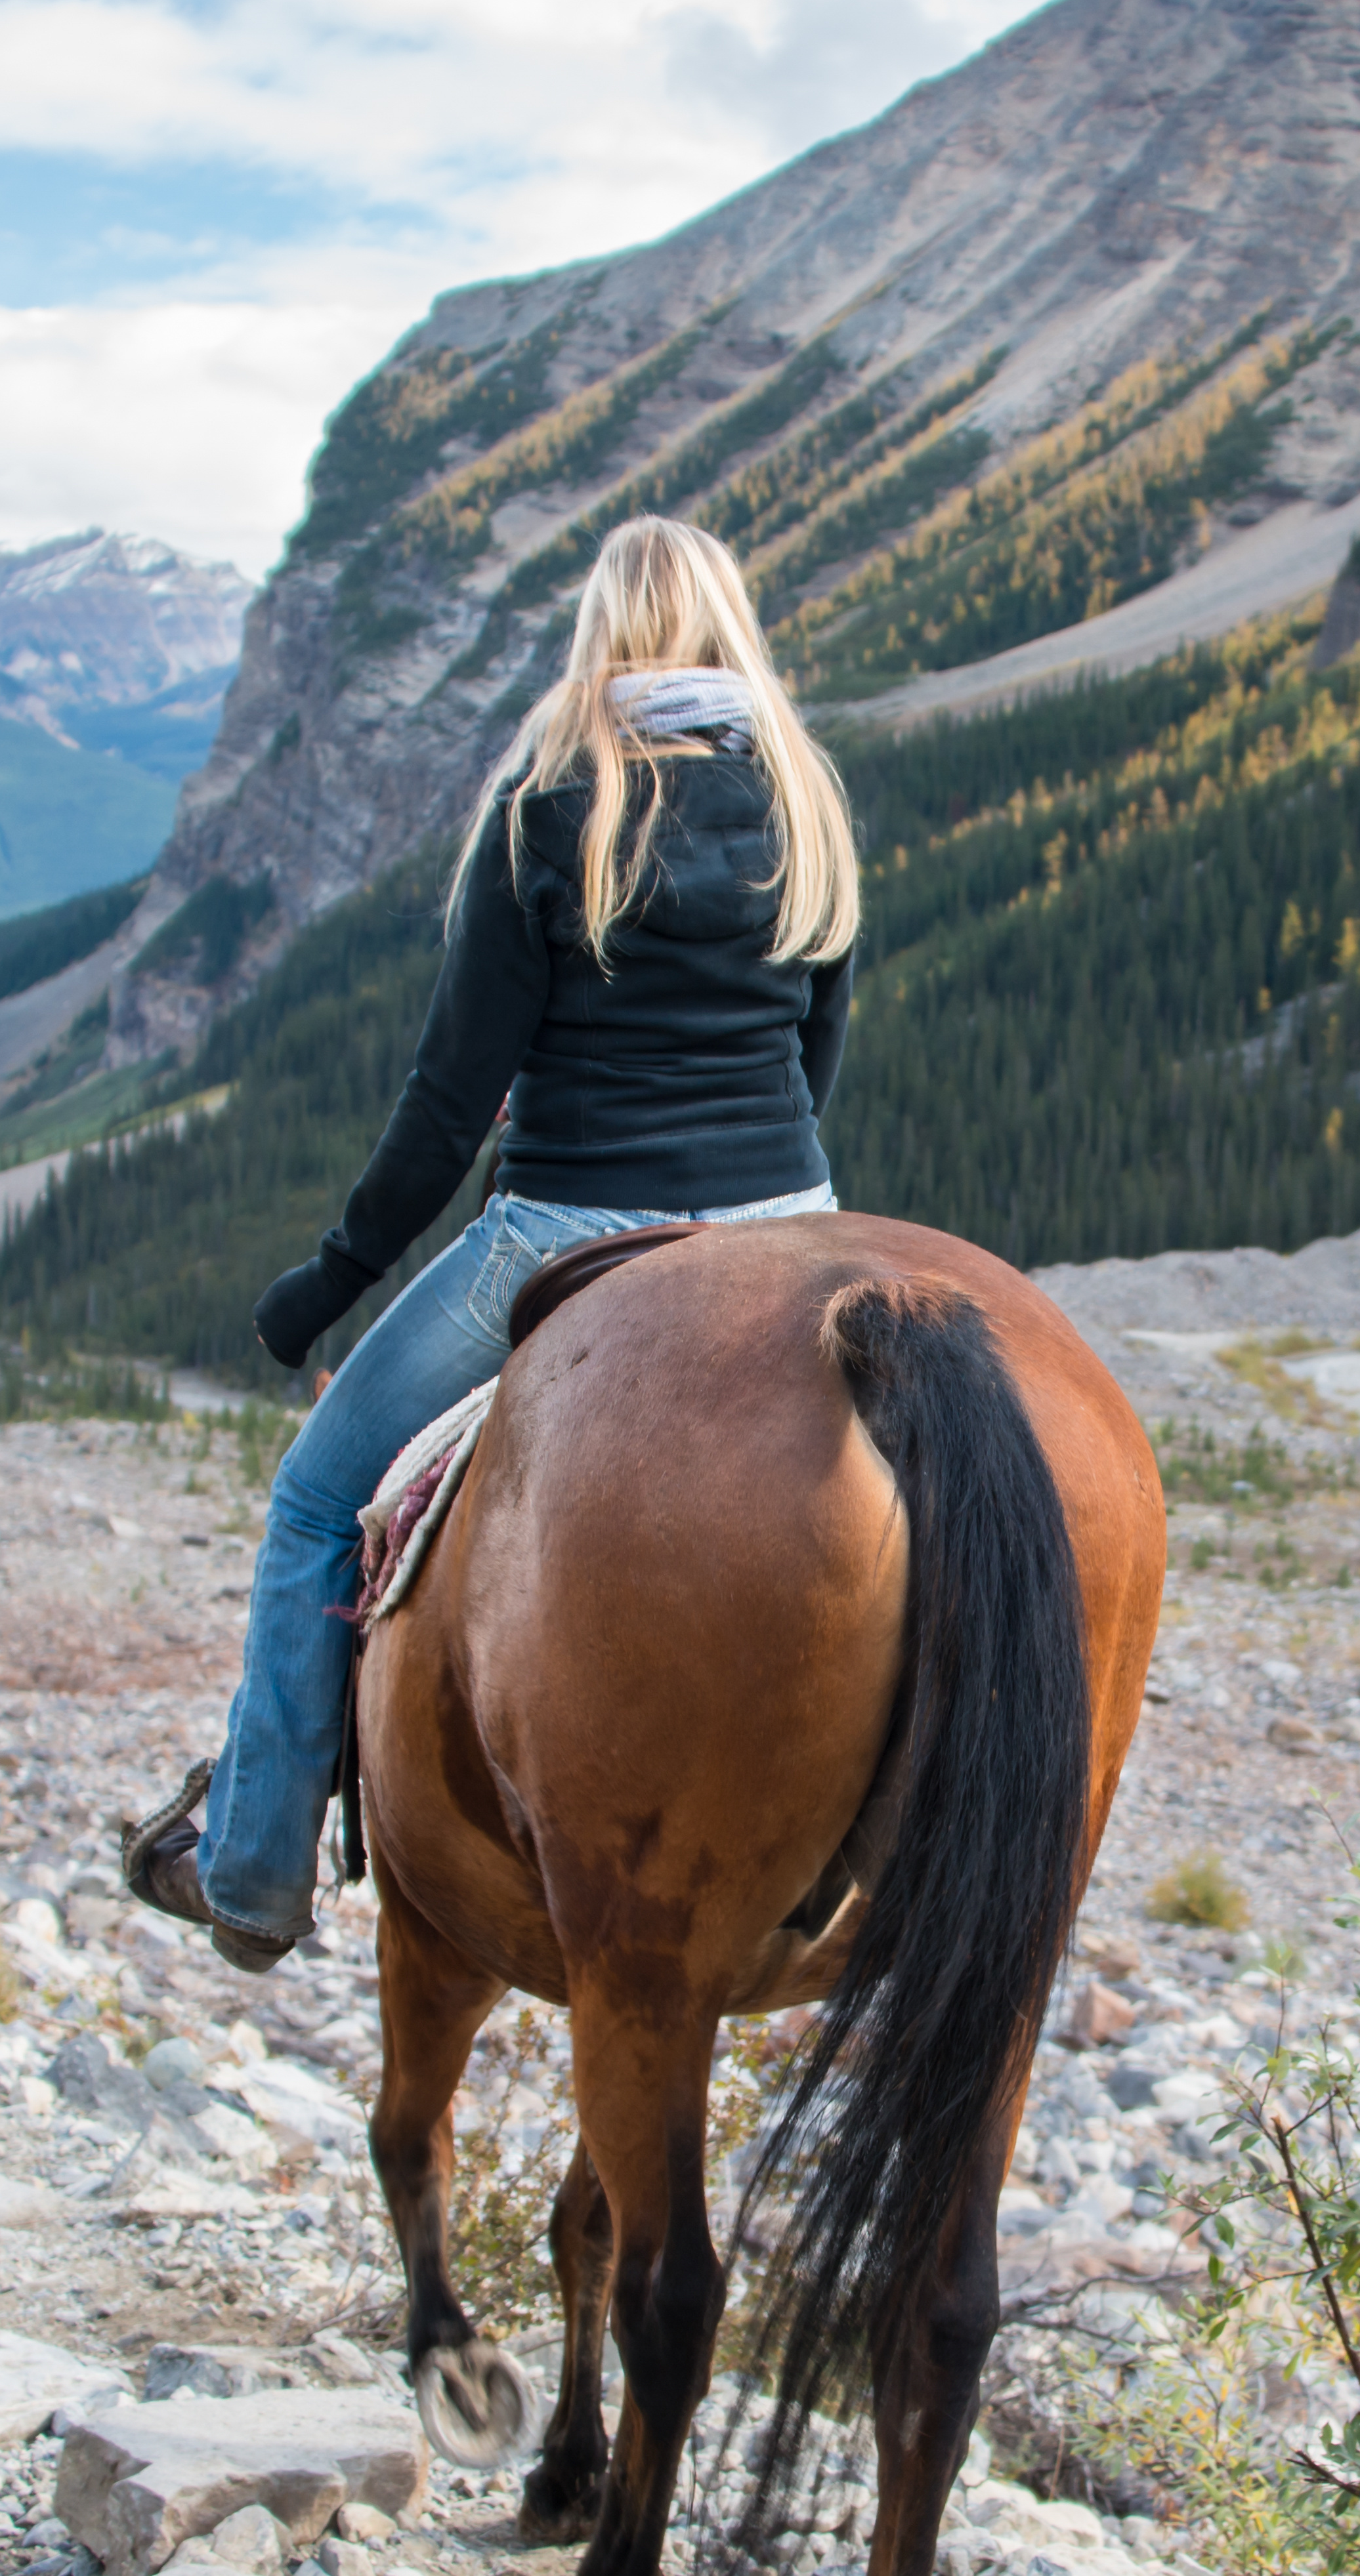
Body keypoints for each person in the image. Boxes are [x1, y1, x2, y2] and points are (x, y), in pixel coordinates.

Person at [121, 516, 862, 1965]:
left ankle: (253, 1871)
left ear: (601, 632)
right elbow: (813, 1054)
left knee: (316, 1501)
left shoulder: (552, 808)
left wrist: (329, 1281)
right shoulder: (804, 805)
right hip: (789, 1220)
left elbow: (448, 1100)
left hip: (573, 1221)